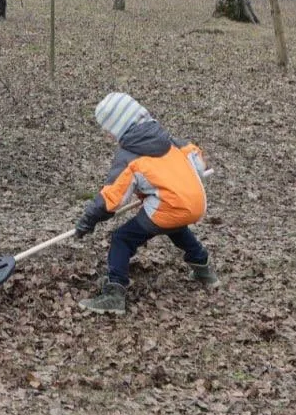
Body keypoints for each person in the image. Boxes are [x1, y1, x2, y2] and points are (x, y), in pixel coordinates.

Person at [74, 92, 219, 315]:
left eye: (108, 129)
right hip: (195, 202)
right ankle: (204, 270)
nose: (107, 135)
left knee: (122, 238)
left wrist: (88, 220)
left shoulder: (130, 156)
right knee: (175, 227)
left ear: (119, 126)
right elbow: (196, 159)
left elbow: (112, 197)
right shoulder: (167, 139)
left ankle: (114, 293)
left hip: (169, 206)